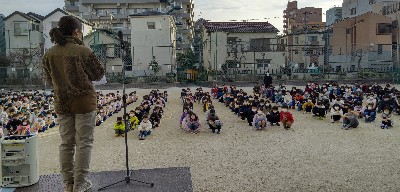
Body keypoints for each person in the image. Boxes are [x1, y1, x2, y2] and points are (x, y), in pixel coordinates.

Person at [42, 16, 105, 192]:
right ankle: (80, 183)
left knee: (66, 143)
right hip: (84, 102)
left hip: (62, 103)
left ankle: (68, 184)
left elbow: (49, 78)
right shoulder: (82, 51)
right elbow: (98, 74)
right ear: (77, 31)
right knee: (84, 142)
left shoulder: (49, 54)